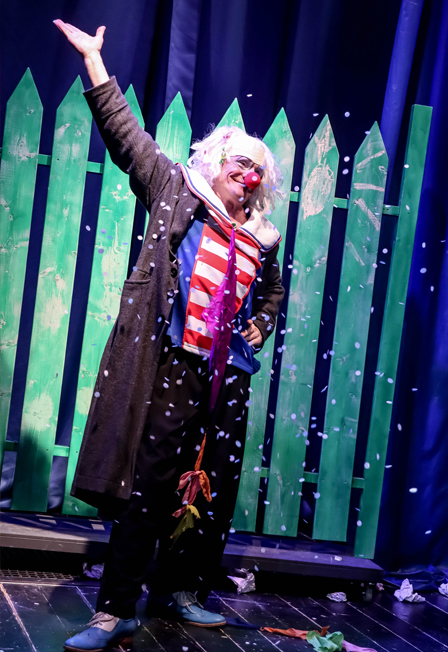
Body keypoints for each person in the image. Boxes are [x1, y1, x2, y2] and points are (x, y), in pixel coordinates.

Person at [54, 20, 285, 652]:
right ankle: (115, 610)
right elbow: (126, 138)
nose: (249, 176)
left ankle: (180, 591)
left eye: (258, 169)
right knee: (151, 485)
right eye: (240, 164)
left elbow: (272, 293)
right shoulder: (178, 193)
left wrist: (260, 325)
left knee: (211, 486)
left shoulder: (263, 237)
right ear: (217, 164)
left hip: (230, 375)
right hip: (178, 365)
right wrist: (95, 62)